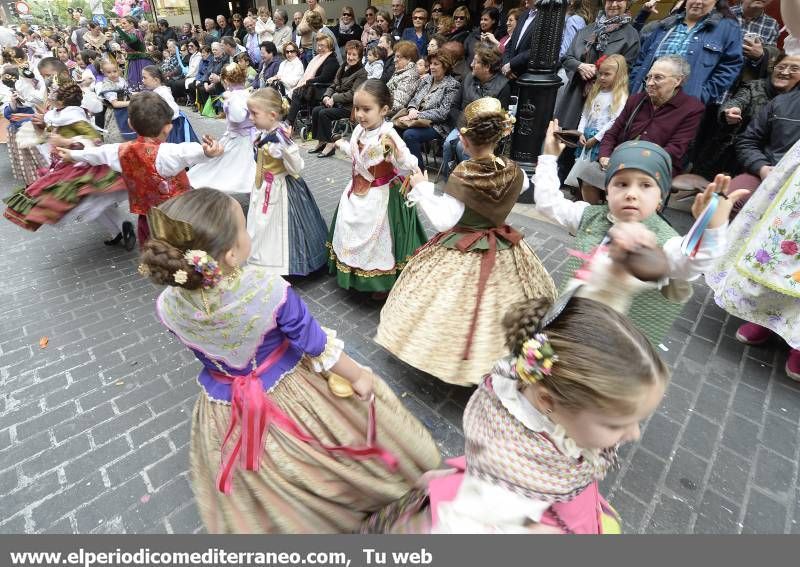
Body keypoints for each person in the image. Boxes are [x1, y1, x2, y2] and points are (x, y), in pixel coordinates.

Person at [138, 186, 439, 533]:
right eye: (244, 227)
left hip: (225, 404)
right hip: (293, 392)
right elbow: (315, 344)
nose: (249, 232)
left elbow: (201, 350)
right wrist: (358, 376)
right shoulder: (268, 288)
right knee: (333, 449)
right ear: (232, 254)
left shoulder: (167, 306)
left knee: (262, 473)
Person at [366, 291, 670, 533]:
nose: (634, 434)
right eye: (617, 424)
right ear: (547, 401)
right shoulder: (503, 483)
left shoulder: (542, 385)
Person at [376, 97, 556, 386]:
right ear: (501, 134)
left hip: (464, 248)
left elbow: (446, 220)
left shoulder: (464, 174)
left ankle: (453, 358)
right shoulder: (516, 171)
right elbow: (523, 187)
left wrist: (422, 188)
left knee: (452, 307)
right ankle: (499, 356)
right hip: (504, 247)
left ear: (463, 139)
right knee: (500, 307)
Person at [534, 120, 746, 346]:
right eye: (622, 184)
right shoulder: (589, 217)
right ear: (607, 191)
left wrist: (711, 226)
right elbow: (549, 203)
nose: (631, 194)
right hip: (566, 327)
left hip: (617, 349)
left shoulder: (667, 243)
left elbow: (692, 261)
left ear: (661, 197)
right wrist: (548, 157)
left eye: (645, 185)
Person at [58, 91, 224, 245]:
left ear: (130, 124)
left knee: (155, 253)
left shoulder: (120, 150)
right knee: (186, 250)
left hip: (148, 217)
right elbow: (190, 151)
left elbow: (96, 154)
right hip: (180, 214)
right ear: (168, 127)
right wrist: (209, 152)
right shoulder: (168, 152)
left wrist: (72, 155)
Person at [3, 81, 131, 248]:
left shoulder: (75, 118)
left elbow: (95, 141)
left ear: (61, 102)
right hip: (65, 165)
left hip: (84, 166)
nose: (49, 98)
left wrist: (68, 142)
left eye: (52, 96)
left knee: (91, 204)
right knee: (93, 204)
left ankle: (124, 228)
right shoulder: (57, 115)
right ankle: (120, 230)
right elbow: (47, 137)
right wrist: (41, 127)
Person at [328, 79, 427, 294]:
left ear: (384, 110)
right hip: (357, 190)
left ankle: (381, 282)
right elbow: (359, 157)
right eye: (356, 108)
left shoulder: (388, 136)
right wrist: (344, 145)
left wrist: (402, 159)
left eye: (366, 109)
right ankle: (355, 272)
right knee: (350, 226)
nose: (360, 114)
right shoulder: (359, 131)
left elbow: (407, 161)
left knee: (379, 237)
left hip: (381, 195)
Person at [246, 87, 329, 276]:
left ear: (272, 115)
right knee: (261, 222)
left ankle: (279, 263)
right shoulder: (264, 133)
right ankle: (261, 257)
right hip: (264, 186)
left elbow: (296, 167)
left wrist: (285, 151)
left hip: (280, 188)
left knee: (277, 225)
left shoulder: (280, 139)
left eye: (254, 113)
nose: (251, 118)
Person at [596, 56, 704, 182]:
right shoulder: (635, 100)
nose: (650, 83)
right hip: (619, 160)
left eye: (658, 77)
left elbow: (675, 149)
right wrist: (604, 156)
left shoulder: (691, 109)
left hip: (655, 167)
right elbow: (612, 133)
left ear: (678, 80)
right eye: (649, 77)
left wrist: (631, 162)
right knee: (587, 173)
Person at [693, 52, 800, 179]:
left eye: (794, 69)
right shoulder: (754, 87)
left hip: (770, 167)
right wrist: (730, 111)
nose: (785, 72)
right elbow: (737, 101)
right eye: (781, 67)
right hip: (729, 159)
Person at [629, 0, 743, 104]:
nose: (698, 1)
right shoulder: (666, 24)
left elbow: (730, 66)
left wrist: (702, 95)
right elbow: (641, 59)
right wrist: (634, 84)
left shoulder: (728, 28)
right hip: (644, 98)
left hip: (683, 106)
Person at [554, 0, 639, 129]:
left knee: (587, 141)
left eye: (619, 0)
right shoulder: (587, 30)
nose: (614, 4)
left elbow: (626, 70)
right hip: (575, 95)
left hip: (604, 99)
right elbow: (567, 57)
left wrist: (598, 73)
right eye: (610, 0)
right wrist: (579, 66)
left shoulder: (631, 36)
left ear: (627, 4)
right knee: (563, 139)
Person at [187, 62, 257, 204]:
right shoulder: (247, 94)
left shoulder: (235, 97)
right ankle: (254, 198)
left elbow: (237, 117)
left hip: (240, 139)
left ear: (225, 81)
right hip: (245, 137)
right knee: (246, 168)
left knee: (225, 167)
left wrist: (229, 102)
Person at [566, 54, 628, 204]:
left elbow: (614, 121)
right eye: (600, 73)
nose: (602, 77)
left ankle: (591, 197)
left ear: (618, 75)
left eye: (607, 74)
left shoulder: (619, 96)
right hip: (587, 134)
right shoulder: (597, 91)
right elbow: (585, 114)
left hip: (600, 138)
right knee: (579, 163)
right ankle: (579, 194)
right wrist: (581, 131)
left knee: (592, 168)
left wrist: (597, 138)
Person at [442, 45, 510, 180]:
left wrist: (475, 131)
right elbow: (454, 107)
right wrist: (462, 127)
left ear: (487, 67)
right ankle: (449, 179)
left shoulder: (503, 86)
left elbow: (500, 119)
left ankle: (469, 181)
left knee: (462, 147)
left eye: (476, 61)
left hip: (484, 132)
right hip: (462, 125)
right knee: (447, 143)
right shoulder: (468, 79)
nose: (472, 64)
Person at [730, 87, 800, 214]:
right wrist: (761, 168)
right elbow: (747, 140)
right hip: (770, 174)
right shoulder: (782, 103)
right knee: (728, 199)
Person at [398, 51, 460, 169]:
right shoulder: (427, 80)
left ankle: (418, 171)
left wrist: (418, 114)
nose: (431, 66)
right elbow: (414, 99)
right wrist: (411, 109)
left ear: (445, 66)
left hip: (437, 125)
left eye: (436, 64)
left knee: (410, 135)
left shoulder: (452, 85)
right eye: (431, 63)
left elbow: (443, 113)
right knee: (394, 128)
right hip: (414, 118)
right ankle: (400, 166)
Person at [310, 40, 367, 158]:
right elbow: (333, 85)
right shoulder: (343, 67)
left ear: (360, 57)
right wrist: (326, 95)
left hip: (349, 107)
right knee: (316, 110)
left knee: (324, 113)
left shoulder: (362, 73)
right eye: (349, 54)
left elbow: (353, 94)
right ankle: (321, 142)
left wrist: (334, 98)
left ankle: (331, 144)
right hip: (336, 103)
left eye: (354, 55)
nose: (350, 57)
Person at [285, 35, 339, 127]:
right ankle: (288, 121)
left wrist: (309, 81)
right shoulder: (317, 58)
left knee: (297, 93)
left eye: (322, 46)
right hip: (314, 86)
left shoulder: (331, 60)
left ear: (329, 46)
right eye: (318, 45)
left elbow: (324, 78)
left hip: (323, 88)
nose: (319, 48)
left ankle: (289, 122)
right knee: (294, 93)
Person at [141, 65, 199, 144]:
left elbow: (173, 111)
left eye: (145, 78)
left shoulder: (163, 93)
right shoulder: (157, 92)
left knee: (173, 147)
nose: (142, 80)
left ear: (156, 80)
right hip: (166, 125)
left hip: (173, 127)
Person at [731, 0, 780, 83]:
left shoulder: (772, 24)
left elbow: (771, 65)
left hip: (742, 88)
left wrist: (761, 56)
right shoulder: (722, 14)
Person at [95, 59, 135, 143]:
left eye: (114, 71)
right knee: (117, 134)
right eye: (109, 72)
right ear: (104, 73)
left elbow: (127, 92)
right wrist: (132, 102)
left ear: (118, 69)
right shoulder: (108, 85)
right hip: (116, 113)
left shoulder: (121, 80)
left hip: (127, 110)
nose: (112, 74)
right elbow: (115, 104)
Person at [114, 15, 155, 91]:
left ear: (132, 24)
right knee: (134, 85)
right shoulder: (129, 33)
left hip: (141, 62)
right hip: (132, 62)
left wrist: (117, 28)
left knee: (144, 84)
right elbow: (130, 45)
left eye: (124, 23)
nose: (122, 25)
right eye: (121, 24)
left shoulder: (136, 31)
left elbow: (130, 40)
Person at [501, 5, 537, 79]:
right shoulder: (524, 14)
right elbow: (510, 44)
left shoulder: (544, 17)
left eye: (511, 20)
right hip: (509, 74)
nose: (507, 23)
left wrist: (511, 64)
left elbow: (537, 48)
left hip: (526, 75)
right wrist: (506, 64)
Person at [386, 40, 420, 114]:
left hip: (390, 116)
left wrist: (378, 110)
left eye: (398, 57)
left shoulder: (410, 76)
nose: (394, 60)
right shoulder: (400, 72)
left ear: (409, 59)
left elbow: (398, 105)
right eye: (395, 56)